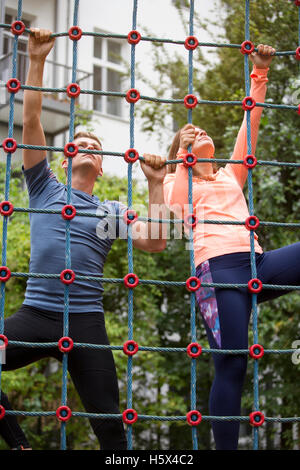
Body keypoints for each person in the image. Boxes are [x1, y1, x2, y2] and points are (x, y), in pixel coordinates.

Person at [0, 28, 167, 450]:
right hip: (37, 315)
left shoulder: (110, 211)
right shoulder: (44, 187)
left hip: (86, 323)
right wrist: (37, 59)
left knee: (110, 425)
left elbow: (156, 241)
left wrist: (155, 184)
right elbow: (32, 118)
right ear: (64, 155)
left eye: (95, 145)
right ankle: (19, 444)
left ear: (102, 166)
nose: (88, 146)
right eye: (80, 142)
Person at [164, 44, 300, 450]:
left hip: (257, 264)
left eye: (204, 130)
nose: (201, 131)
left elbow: (250, 126)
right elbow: (171, 215)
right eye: (192, 133)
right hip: (217, 272)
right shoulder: (178, 181)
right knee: (233, 363)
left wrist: (260, 73)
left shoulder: (229, 175)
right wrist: (177, 159)